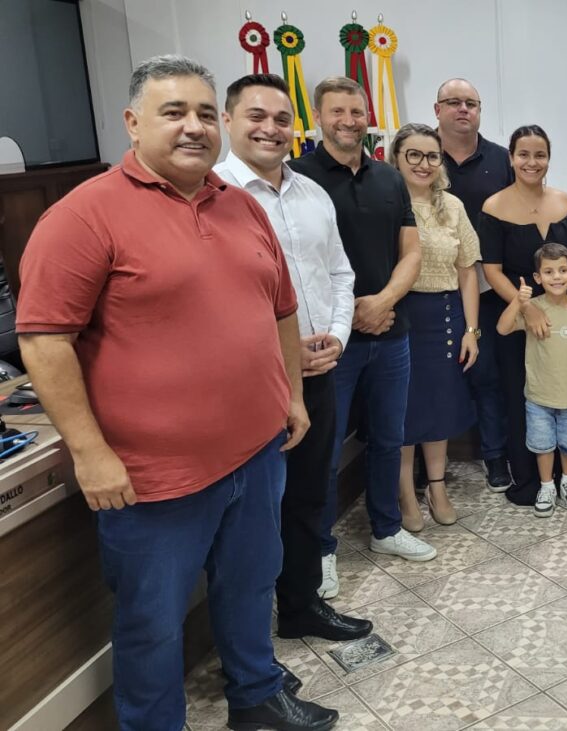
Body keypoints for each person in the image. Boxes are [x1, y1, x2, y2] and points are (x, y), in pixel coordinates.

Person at [17, 56, 336, 730]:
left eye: (200, 112)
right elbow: (44, 339)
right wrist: (89, 451)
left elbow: (279, 307)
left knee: (250, 586)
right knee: (152, 623)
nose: (192, 127)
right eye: (172, 112)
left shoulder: (241, 206)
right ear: (132, 123)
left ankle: (257, 697)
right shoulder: (84, 215)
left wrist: (291, 396)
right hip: (151, 478)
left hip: (256, 451)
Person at [214, 74, 374, 648]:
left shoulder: (311, 194)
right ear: (228, 121)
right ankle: (249, 645)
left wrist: (334, 336)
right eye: (256, 116)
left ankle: (302, 605)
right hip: (255, 384)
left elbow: (339, 273)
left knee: (309, 493)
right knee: (254, 515)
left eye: (281, 119)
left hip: (319, 375)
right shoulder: (212, 198)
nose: (270, 129)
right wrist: (281, 352)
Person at [291, 76, 435, 602]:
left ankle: (385, 528)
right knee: (323, 451)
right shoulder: (296, 177)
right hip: (330, 343)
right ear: (318, 115)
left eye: (357, 111)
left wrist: (383, 303)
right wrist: (348, 317)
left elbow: (412, 252)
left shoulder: (388, 178)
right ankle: (320, 551)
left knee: (388, 438)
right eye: (338, 112)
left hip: (390, 331)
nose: (349, 120)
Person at [480, 125, 567, 505]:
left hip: (566, 314)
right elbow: (492, 269)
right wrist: (527, 306)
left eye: (540, 155)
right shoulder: (494, 207)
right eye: (524, 155)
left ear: (549, 158)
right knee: (524, 398)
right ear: (511, 158)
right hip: (517, 319)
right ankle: (534, 480)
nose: (532, 162)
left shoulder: (566, 202)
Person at [390, 123, 482, 530]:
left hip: (446, 314)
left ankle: (437, 485)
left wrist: (472, 330)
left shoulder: (453, 206)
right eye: (414, 154)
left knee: (440, 404)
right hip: (401, 314)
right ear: (396, 157)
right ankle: (406, 492)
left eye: (431, 156)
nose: (423, 164)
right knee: (404, 408)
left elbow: (467, 271)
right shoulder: (386, 201)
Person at [435, 78, 513, 491]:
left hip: (483, 285)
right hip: (429, 285)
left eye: (471, 103)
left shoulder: (502, 161)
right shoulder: (419, 156)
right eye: (453, 102)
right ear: (437, 110)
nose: (462, 109)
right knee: (431, 378)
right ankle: (430, 463)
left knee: (486, 375)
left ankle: (495, 455)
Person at [496, 243, 567, 516]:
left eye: (563, 270)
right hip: (538, 395)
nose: (557, 277)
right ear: (538, 277)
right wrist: (518, 302)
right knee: (542, 444)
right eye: (549, 271)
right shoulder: (533, 308)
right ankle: (546, 486)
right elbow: (503, 328)